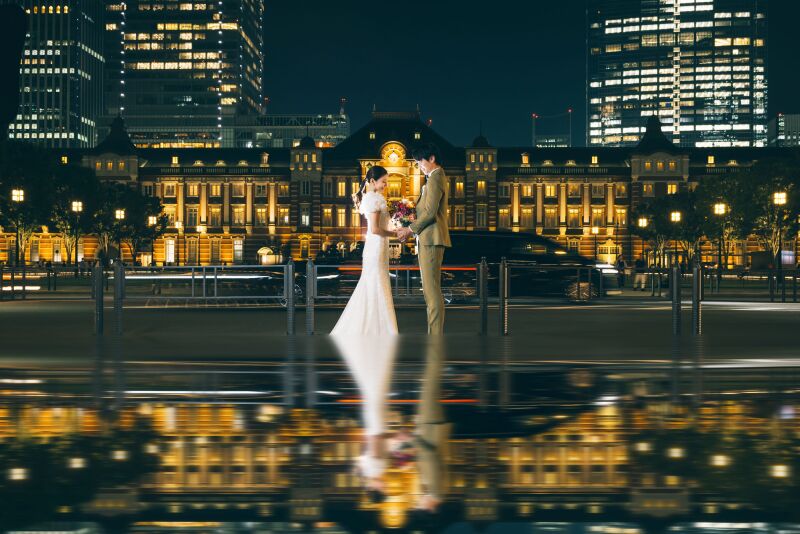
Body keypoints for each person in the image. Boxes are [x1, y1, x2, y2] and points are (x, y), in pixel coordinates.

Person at [330, 165, 398, 500]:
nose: (386, 186)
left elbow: (375, 442)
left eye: (386, 182)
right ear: (372, 181)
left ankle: (373, 325)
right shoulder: (373, 198)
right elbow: (376, 229)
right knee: (374, 284)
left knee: (372, 285)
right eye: (383, 181)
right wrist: (397, 231)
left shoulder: (369, 196)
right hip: (377, 247)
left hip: (375, 248)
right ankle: (376, 326)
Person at [395, 143, 451, 334]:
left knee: (432, 290)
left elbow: (430, 213)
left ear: (432, 158)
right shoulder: (434, 178)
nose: (419, 166)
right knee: (430, 290)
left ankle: (435, 336)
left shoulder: (436, 178)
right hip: (429, 238)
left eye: (420, 162)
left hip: (432, 239)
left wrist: (410, 229)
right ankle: (433, 333)